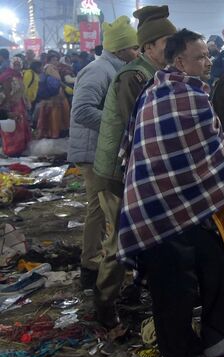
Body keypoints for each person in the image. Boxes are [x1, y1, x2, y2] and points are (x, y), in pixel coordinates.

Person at [117, 28, 224, 357]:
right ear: (179, 61)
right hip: (155, 206)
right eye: (201, 57)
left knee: (214, 257)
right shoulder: (179, 94)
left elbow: (204, 153)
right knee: (172, 286)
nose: (209, 61)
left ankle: (216, 336)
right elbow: (213, 154)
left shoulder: (167, 89)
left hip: (174, 201)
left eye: (209, 55)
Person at [92, 5, 176, 328]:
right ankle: (104, 305)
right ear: (148, 47)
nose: (173, 47)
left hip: (140, 171)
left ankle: (139, 292)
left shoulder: (156, 74)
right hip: (118, 173)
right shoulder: (134, 77)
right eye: (167, 42)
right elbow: (138, 131)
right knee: (118, 241)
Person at [67, 16, 138, 292]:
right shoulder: (100, 70)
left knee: (101, 207)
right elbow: (82, 111)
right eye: (133, 48)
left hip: (99, 149)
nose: (136, 53)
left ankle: (96, 261)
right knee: (99, 208)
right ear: (120, 49)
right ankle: (91, 264)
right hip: (92, 151)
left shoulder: (113, 68)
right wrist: (114, 123)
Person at [0, 49, 32, 157]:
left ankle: (20, 148)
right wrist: (8, 106)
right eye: (16, 64)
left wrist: (26, 101)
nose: (18, 66)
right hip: (11, 106)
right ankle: (11, 149)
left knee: (20, 127)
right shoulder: (7, 76)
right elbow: (6, 92)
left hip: (20, 105)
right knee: (11, 128)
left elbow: (22, 91)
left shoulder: (19, 75)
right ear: (12, 65)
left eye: (19, 64)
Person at [35, 53, 71, 138]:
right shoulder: (50, 68)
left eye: (56, 59)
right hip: (55, 96)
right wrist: (65, 87)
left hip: (51, 96)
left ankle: (53, 132)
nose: (56, 61)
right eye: (54, 60)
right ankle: (55, 133)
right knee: (55, 115)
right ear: (49, 61)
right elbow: (57, 81)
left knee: (52, 114)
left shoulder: (48, 68)